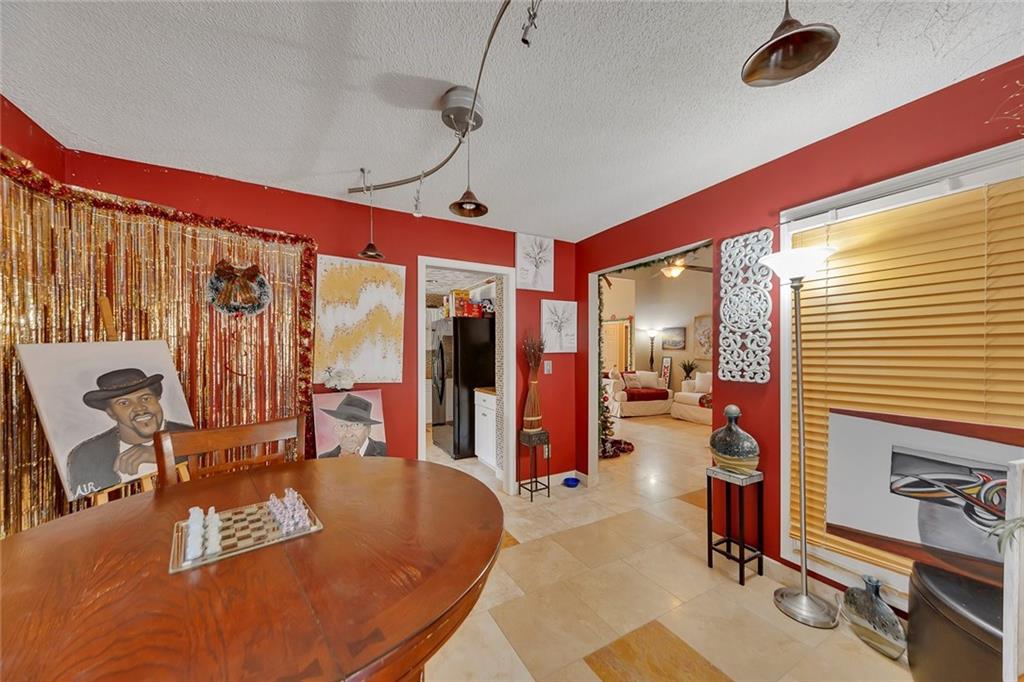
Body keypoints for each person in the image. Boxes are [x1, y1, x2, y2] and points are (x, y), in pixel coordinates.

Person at [67, 368, 191, 498]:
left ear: (157, 399)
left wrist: (164, 453)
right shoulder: (85, 456)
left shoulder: (189, 435)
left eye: (145, 398)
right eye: (124, 403)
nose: (139, 408)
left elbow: (203, 456)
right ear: (111, 413)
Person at [318, 394, 387, 457]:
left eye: (356, 425)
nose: (348, 434)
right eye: (341, 426)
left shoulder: (385, 451)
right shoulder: (324, 458)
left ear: (368, 430)